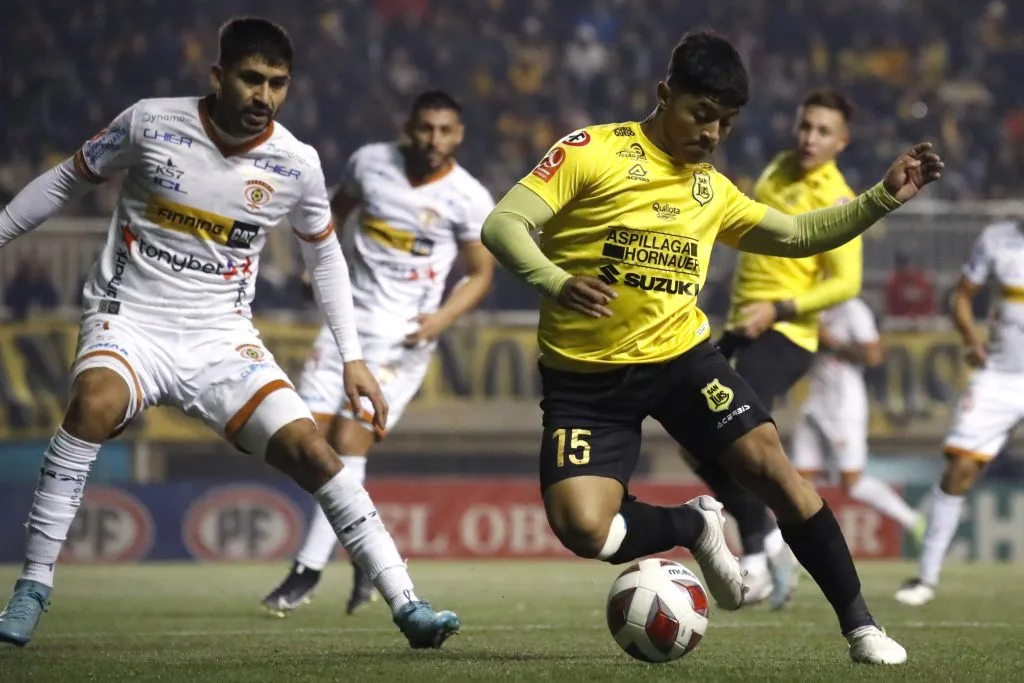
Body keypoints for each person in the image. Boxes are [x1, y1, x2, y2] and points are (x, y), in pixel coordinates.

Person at [480, 31, 943, 664]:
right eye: (702, 115)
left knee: (770, 464)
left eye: (725, 122)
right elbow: (502, 223)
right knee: (584, 529)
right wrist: (556, 281)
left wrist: (884, 196)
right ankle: (693, 525)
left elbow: (798, 232)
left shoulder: (711, 189)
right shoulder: (591, 151)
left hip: (680, 361)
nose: (712, 134)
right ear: (665, 95)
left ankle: (861, 626)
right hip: (585, 381)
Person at [0, 17, 458, 650]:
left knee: (316, 453)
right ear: (219, 76)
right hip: (131, 320)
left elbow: (324, 258)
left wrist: (352, 358)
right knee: (93, 405)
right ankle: (33, 586)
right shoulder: (149, 123)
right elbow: (64, 180)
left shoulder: (296, 164)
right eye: (251, 79)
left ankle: (408, 604)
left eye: (277, 83)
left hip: (222, 340)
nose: (264, 95)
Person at [261, 91, 494, 616]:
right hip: (345, 329)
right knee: (300, 442)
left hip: (402, 340)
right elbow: (332, 215)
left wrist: (440, 320)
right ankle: (367, 555)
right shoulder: (369, 163)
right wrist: (311, 269)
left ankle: (306, 570)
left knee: (348, 441)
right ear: (408, 127)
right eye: (426, 128)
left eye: (445, 131)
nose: (434, 140)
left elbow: (481, 273)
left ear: (458, 136)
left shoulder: (468, 196)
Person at [690, 90, 864, 609]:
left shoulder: (838, 198)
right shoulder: (777, 169)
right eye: (805, 126)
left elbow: (845, 283)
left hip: (787, 335)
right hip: (744, 327)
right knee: (696, 441)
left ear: (842, 142)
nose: (810, 137)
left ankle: (762, 557)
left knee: (733, 438)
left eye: (823, 131)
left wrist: (780, 308)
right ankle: (768, 544)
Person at [895, 219, 1024, 606]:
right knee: (959, 469)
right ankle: (926, 578)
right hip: (1001, 376)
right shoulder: (997, 237)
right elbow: (962, 297)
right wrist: (971, 338)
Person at [791, 298, 923, 550]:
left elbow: (873, 355)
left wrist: (832, 342)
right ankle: (792, 553)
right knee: (797, 482)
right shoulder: (809, 303)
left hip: (844, 405)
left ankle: (913, 520)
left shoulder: (852, 309)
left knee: (853, 483)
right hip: (814, 401)